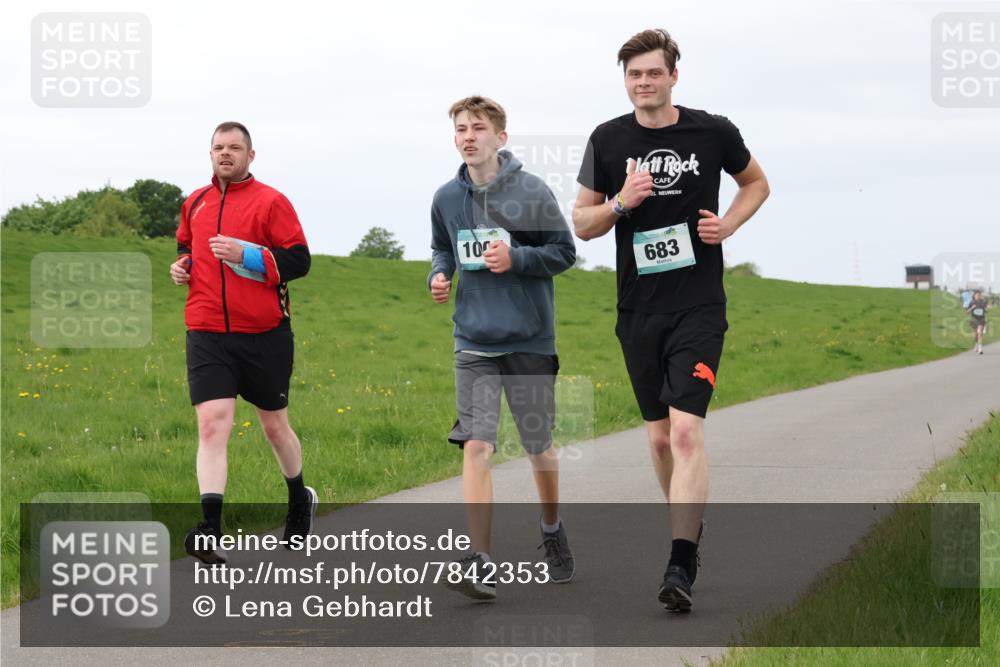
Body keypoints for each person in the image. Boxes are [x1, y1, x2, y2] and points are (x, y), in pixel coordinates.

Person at [573, 29, 770, 612]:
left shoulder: (712, 131)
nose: (643, 83)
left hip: (699, 305)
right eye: (634, 75)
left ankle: (681, 560)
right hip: (638, 309)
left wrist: (729, 224)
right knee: (659, 437)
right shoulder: (608, 140)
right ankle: (687, 525)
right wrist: (620, 202)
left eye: (653, 73)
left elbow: (756, 182)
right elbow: (582, 223)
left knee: (686, 430)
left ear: (673, 76)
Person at [429, 96, 577, 600]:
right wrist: (439, 272)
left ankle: (552, 529)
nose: (468, 136)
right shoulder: (446, 197)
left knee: (538, 447)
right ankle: (481, 560)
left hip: (530, 337)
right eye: (460, 129)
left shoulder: (533, 192)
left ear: (501, 137)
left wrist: (516, 258)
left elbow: (563, 252)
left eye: (478, 128)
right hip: (473, 340)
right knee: (477, 445)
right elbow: (442, 245)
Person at [171, 121, 315, 564]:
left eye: (235, 147)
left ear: (251, 156)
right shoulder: (194, 202)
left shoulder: (272, 202)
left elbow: (298, 261)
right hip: (207, 331)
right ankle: (210, 529)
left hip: (265, 334)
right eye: (218, 147)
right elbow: (185, 248)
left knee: (274, 427)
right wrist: (183, 267)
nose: (225, 154)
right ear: (210, 153)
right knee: (213, 424)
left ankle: (298, 498)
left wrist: (247, 254)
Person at [967, 290, 989, 354]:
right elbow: (967, 312)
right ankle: (976, 344)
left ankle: (980, 348)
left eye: (979, 295)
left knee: (980, 333)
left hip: (981, 319)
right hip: (974, 320)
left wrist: (987, 309)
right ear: (974, 296)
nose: (978, 296)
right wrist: (972, 308)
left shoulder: (983, 302)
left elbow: (986, 310)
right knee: (976, 335)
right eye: (977, 295)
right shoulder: (971, 302)